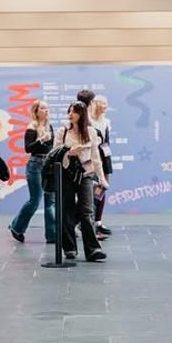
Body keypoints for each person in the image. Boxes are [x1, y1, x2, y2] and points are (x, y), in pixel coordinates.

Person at [56, 101, 108, 262]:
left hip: (86, 173)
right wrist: (69, 152)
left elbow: (96, 157)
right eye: (69, 111)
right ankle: (70, 247)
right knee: (67, 211)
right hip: (66, 173)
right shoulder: (63, 131)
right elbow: (55, 153)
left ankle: (93, 250)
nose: (71, 114)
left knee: (87, 212)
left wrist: (101, 178)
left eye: (75, 111)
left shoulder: (91, 132)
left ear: (82, 114)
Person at [9, 100, 57, 243]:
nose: (46, 110)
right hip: (35, 164)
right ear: (36, 111)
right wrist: (41, 140)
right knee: (35, 200)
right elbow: (28, 148)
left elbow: (52, 147)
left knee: (51, 201)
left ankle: (52, 235)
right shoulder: (31, 127)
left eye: (47, 108)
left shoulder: (50, 127)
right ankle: (17, 227)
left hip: (49, 164)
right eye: (43, 108)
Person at [89, 95, 114, 239]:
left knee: (102, 189)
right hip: (92, 159)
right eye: (103, 103)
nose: (105, 106)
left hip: (104, 159)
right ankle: (88, 223)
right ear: (96, 104)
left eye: (106, 103)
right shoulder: (89, 121)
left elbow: (107, 142)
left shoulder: (106, 122)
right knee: (91, 191)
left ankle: (98, 222)